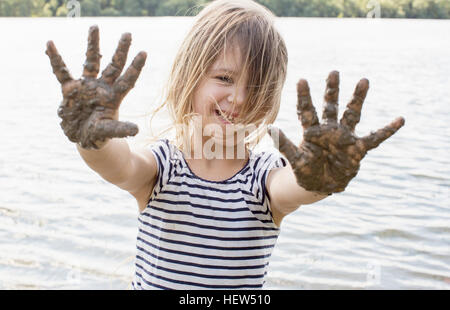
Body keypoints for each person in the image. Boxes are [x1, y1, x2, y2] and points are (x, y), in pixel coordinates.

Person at [45, 0, 404, 290]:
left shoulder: (263, 177)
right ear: (190, 76)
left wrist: (321, 177)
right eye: (224, 78)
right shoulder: (163, 167)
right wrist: (93, 137)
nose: (238, 98)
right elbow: (119, 165)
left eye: (256, 87)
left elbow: (293, 188)